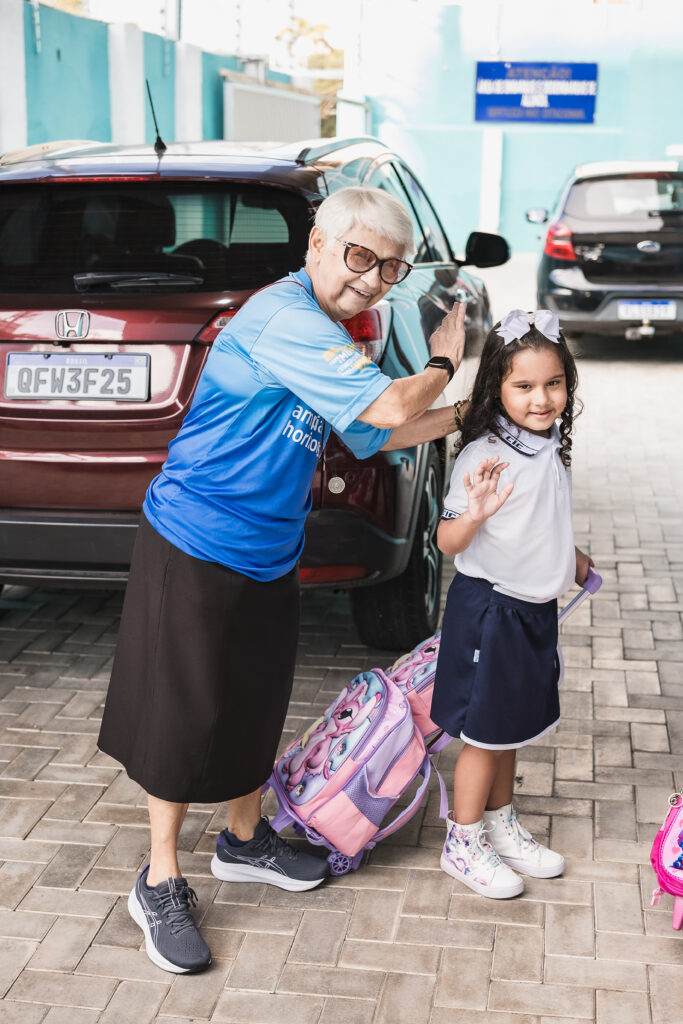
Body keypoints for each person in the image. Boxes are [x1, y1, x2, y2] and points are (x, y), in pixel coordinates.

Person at [97, 185, 468, 973]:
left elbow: (379, 432)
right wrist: (442, 360)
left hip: (268, 548)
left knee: (255, 698)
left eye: (390, 268)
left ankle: (242, 840)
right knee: (183, 714)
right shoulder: (286, 319)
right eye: (360, 257)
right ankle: (159, 878)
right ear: (316, 247)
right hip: (196, 541)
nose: (371, 279)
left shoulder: (328, 335)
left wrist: (472, 417)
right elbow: (394, 402)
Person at [431, 308, 593, 900]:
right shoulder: (485, 457)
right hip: (490, 612)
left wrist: (570, 559)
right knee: (482, 733)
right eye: (523, 386)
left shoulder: (547, 445)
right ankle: (463, 839)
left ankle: (499, 825)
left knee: (509, 728)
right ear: (497, 388)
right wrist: (473, 514)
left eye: (553, 383)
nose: (542, 398)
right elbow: (447, 542)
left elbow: (541, 519)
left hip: (531, 612)